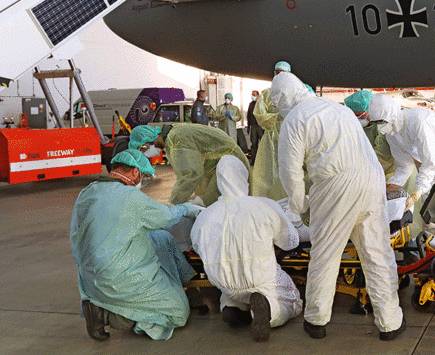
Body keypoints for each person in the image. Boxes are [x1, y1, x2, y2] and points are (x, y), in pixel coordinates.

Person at [272, 72, 405, 341]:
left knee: (326, 254)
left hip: (336, 185)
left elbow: (290, 173)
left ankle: (316, 320)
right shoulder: (337, 107)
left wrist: (301, 206)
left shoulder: (294, 121)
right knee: (377, 253)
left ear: (283, 100)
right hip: (371, 178)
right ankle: (390, 322)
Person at [70, 149, 202, 341]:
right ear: (133, 173)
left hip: (90, 276)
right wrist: (187, 208)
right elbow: (165, 217)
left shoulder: (88, 191)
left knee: (162, 238)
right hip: (118, 279)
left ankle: (186, 283)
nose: (142, 179)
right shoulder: (130, 197)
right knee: (178, 313)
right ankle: (107, 314)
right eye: (142, 175)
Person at [190, 155, 304, 342]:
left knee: (234, 292)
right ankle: (269, 309)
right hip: (260, 278)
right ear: (244, 177)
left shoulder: (206, 215)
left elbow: (197, 246)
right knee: (292, 301)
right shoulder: (263, 206)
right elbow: (290, 242)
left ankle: (232, 308)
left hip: (222, 282)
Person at [129, 124, 250, 206]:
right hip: (217, 163)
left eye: (144, 148)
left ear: (150, 138)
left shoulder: (176, 138)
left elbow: (191, 174)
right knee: (207, 200)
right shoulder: (172, 138)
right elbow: (187, 171)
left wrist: (173, 204)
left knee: (218, 203)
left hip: (229, 163)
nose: (147, 153)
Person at [368, 94, 435, 211]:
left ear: (392, 115)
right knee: (429, 208)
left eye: (382, 121)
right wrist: (391, 184)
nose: (380, 127)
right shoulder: (392, 133)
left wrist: (416, 194)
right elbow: (404, 166)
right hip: (427, 166)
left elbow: (430, 163)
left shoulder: (419, 122)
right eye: (376, 122)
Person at [249, 61, 292, 200]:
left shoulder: (293, 93)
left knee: (288, 170)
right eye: (277, 72)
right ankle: (266, 201)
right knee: (266, 172)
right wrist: (278, 118)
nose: (280, 75)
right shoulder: (267, 94)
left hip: (290, 138)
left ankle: (288, 201)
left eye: (283, 73)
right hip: (269, 139)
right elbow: (260, 115)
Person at [246, 90, 263, 165]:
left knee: (263, 143)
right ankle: (253, 159)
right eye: (252, 95)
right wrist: (248, 126)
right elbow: (249, 115)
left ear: (258, 96)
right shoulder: (251, 104)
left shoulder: (261, 103)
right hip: (253, 126)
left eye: (254, 95)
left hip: (260, 126)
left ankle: (263, 160)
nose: (252, 96)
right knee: (254, 143)